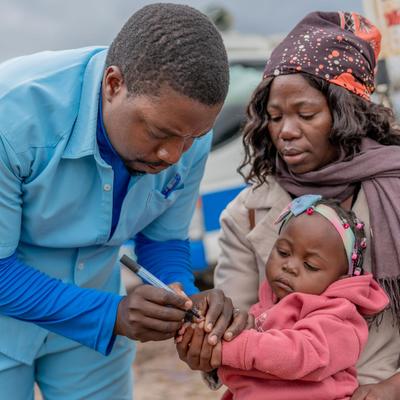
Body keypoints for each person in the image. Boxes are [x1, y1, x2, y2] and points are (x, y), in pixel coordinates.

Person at [0, 3, 247, 399]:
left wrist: (179, 296)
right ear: (113, 85)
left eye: (192, 138)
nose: (174, 156)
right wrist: (109, 314)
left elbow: (164, 239)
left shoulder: (185, 135)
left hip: (95, 336)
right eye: (158, 133)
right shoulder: (11, 114)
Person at [179, 10, 400, 400]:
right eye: (275, 117)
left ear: (347, 113)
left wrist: (392, 388)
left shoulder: (393, 193)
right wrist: (208, 348)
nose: (286, 131)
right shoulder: (246, 214)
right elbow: (236, 326)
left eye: (306, 114)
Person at [177, 195, 389, 400]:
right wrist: (203, 337)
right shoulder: (263, 307)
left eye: (310, 265)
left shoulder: (339, 317)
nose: (289, 266)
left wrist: (231, 347)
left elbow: (301, 354)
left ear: (340, 279)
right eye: (283, 252)